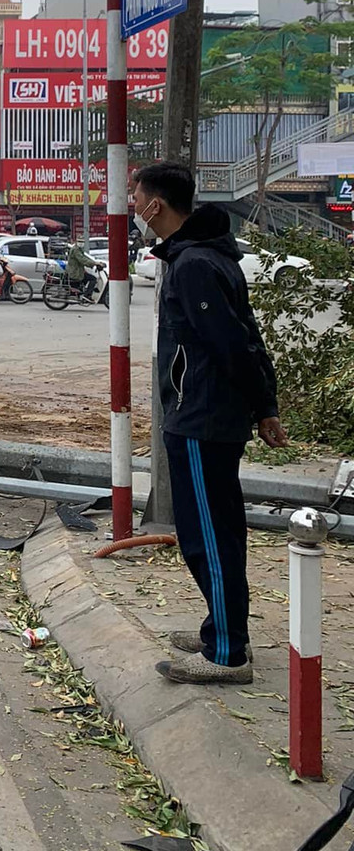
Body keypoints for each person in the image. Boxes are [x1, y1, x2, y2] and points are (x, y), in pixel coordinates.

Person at [133, 161, 286, 686]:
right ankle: (218, 628)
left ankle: (226, 652)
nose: (133, 206)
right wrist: (264, 404)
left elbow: (230, 344)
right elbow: (247, 334)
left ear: (157, 204)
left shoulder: (196, 263)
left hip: (201, 418)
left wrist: (260, 404)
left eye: (136, 196)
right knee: (214, 530)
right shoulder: (204, 255)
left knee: (209, 537)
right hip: (204, 414)